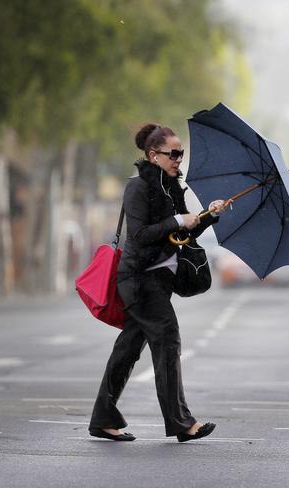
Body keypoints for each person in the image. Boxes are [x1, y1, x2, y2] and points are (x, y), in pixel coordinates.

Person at [88, 123, 228, 442]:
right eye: (173, 153)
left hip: (158, 282)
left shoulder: (172, 188)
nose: (179, 159)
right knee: (167, 340)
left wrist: (210, 214)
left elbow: (181, 235)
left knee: (127, 350)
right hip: (138, 279)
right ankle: (181, 422)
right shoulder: (138, 188)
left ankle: (102, 417)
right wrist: (178, 220)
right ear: (154, 155)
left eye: (181, 153)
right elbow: (139, 235)